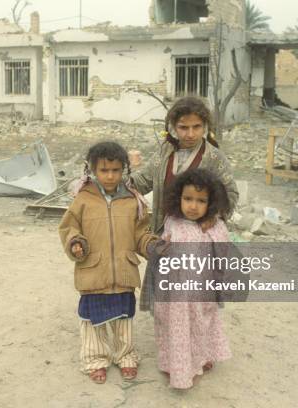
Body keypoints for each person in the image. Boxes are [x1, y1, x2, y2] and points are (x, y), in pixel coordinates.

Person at [58, 141, 157, 384]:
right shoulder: (83, 199)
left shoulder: (133, 200)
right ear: (92, 170)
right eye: (104, 170)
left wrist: (150, 245)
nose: (110, 176)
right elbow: (69, 228)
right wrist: (75, 243)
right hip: (93, 271)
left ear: (124, 170)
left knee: (124, 319)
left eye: (115, 170)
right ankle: (95, 360)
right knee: (93, 321)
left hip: (124, 271)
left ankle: (126, 357)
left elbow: (140, 233)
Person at [147, 168, 233, 389]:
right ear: (178, 198)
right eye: (188, 199)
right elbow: (162, 249)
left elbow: (222, 256)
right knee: (175, 328)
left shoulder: (215, 227)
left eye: (201, 201)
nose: (193, 206)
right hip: (175, 293)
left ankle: (200, 359)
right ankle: (176, 366)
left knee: (200, 325)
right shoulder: (172, 222)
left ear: (211, 203)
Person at [130, 95, 238, 235]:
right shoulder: (165, 151)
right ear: (174, 127)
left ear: (205, 126)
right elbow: (143, 180)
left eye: (196, 127)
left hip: (199, 235)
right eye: (184, 127)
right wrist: (119, 180)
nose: (190, 134)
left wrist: (213, 216)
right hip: (164, 233)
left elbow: (230, 193)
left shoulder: (214, 158)